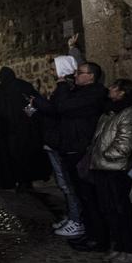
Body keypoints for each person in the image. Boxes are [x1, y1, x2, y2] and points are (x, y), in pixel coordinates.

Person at [36, 62, 108, 252]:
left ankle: (98, 238)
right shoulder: (78, 91)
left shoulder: (94, 93)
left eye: (80, 73)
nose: (76, 76)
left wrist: (61, 84)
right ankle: (90, 233)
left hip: (80, 149)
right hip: (70, 147)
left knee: (89, 197)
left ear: (91, 76)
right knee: (80, 195)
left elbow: (62, 107)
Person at [89, 79, 132, 263]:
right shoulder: (110, 111)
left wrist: (106, 155)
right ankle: (119, 246)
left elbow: (124, 142)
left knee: (122, 211)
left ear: (122, 92)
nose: (109, 90)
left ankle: (130, 250)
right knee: (110, 211)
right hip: (102, 167)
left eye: (113, 88)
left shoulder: (130, 112)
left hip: (116, 169)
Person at [36, 54, 85, 237]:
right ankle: (73, 216)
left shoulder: (66, 89)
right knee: (64, 183)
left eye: (54, 68)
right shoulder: (63, 88)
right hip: (55, 140)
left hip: (61, 141)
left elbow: (57, 111)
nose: (50, 71)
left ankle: (77, 219)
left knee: (68, 184)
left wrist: (39, 103)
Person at [0, 66, 51, 190]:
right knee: (24, 155)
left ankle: (19, 180)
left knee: (16, 156)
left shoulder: (2, 90)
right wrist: (27, 117)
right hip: (23, 129)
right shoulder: (23, 86)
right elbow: (33, 105)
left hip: (11, 130)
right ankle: (25, 181)